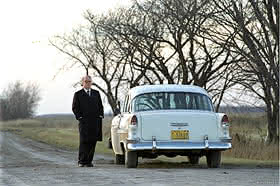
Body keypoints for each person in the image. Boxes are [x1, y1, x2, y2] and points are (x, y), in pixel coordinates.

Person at [72, 75, 104, 167]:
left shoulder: (96, 93)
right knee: (84, 141)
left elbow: (100, 106)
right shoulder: (78, 94)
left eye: (89, 82)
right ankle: (82, 161)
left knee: (93, 141)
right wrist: (80, 117)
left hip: (95, 122)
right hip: (84, 122)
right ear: (82, 83)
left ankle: (89, 161)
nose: (88, 83)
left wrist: (100, 116)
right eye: (86, 81)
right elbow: (75, 108)